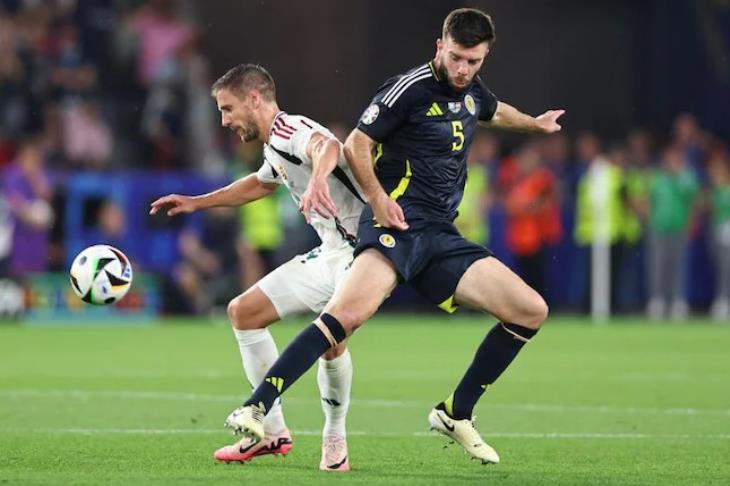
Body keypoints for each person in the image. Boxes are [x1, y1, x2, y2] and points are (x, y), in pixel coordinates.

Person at [227, 8, 564, 465]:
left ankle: (456, 413)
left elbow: (492, 109)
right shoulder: (408, 89)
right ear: (440, 46)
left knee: (530, 310)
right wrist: (378, 199)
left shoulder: (471, 89)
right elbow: (356, 143)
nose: (463, 70)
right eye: (457, 58)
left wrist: (533, 123)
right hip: (397, 226)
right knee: (342, 320)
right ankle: (257, 406)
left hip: (440, 235)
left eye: (474, 61)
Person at [149, 64, 365, 471]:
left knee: (332, 341)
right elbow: (261, 183)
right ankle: (271, 432)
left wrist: (319, 179)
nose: (224, 120)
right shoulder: (273, 147)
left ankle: (335, 437)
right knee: (243, 312)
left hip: (362, 254)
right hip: (331, 251)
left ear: (253, 99)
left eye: (227, 109)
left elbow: (327, 147)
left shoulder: (289, 129)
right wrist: (197, 202)